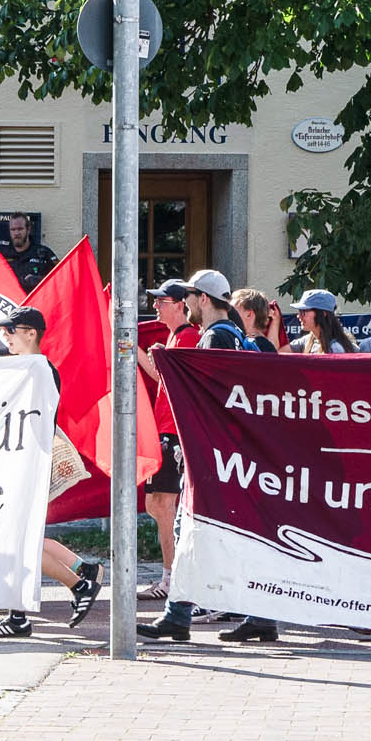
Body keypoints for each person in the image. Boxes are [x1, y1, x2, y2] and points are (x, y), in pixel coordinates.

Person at [0, 307, 104, 638]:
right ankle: (74, 578)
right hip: (22, 463)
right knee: (23, 540)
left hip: (26, 465)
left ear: (30, 333)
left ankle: (78, 585)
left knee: (18, 543)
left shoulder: (38, 370)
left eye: (10, 331)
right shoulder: (30, 368)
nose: (4, 336)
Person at [140, 271, 248, 642]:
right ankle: (188, 613)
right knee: (210, 530)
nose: (185, 304)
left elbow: (203, 394)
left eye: (188, 297)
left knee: (192, 528)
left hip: (207, 446)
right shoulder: (232, 336)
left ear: (203, 298)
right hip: (221, 445)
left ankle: (180, 614)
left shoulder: (213, 337)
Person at [134, 279, 197, 600]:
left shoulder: (188, 337)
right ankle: (173, 576)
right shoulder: (175, 337)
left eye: (161, 301)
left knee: (163, 504)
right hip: (165, 429)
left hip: (173, 431)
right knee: (156, 504)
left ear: (179, 304)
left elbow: (174, 381)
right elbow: (160, 377)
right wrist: (139, 350)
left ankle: (173, 579)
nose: (155, 306)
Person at [0, 214, 57, 292]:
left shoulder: (44, 253)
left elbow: (61, 278)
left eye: (20, 229)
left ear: (28, 229)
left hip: (35, 302)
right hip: (9, 301)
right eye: (13, 229)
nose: (16, 233)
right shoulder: (0, 255)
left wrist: (39, 280)